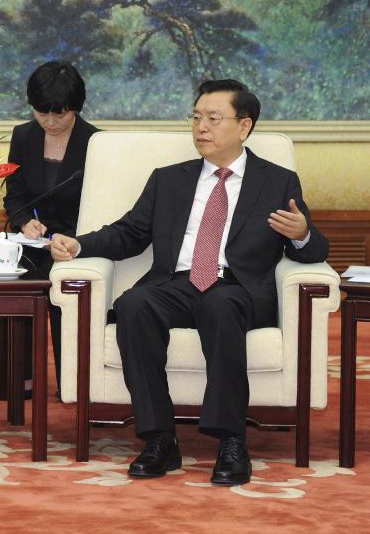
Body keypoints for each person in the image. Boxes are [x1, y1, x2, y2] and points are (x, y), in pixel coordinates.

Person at [50, 79, 328, 485]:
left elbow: (312, 251)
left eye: (214, 118)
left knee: (222, 304)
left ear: (244, 126)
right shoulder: (169, 179)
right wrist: (80, 244)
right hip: (176, 281)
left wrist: (302, 232)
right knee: (134, 305)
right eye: (196, 117)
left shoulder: (277, 181)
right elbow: (129, 233)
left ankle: (232, 440)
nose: (201, 127)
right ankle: (160, 437)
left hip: (235, 286)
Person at [3, 61, 99, 389]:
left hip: (74, 242)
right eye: (42, 113)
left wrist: (69, 238)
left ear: (76, 108)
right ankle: (20, 380)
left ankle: (70, 382)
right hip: (32, 240)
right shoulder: (23, 136)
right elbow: (13, 195)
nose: (50, 122)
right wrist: (23, 221)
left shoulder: (96, 143)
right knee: (13, 284)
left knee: (62, 288)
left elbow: (101, 203)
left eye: (60, 114)